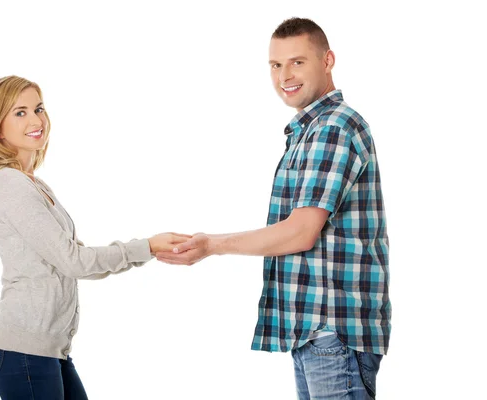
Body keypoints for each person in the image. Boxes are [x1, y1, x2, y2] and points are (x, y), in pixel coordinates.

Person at [156, 17, 390, 400]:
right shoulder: (308, 131)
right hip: (316, 332)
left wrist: (212, 245)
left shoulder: (334, 126)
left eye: (298, 62)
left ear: (327, 60)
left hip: (332, 330)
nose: (285, 75)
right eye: (275, 65)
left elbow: (301, 231)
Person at [0, 75, 190, 399]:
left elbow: (76, 261)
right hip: (23, 353)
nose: (36, 120)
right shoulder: (9, 185)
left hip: (46, 351)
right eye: (20, 112)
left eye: (39, 108)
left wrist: (149, 250)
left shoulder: (33, 185)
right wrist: (146, 247)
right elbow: (75, 262)